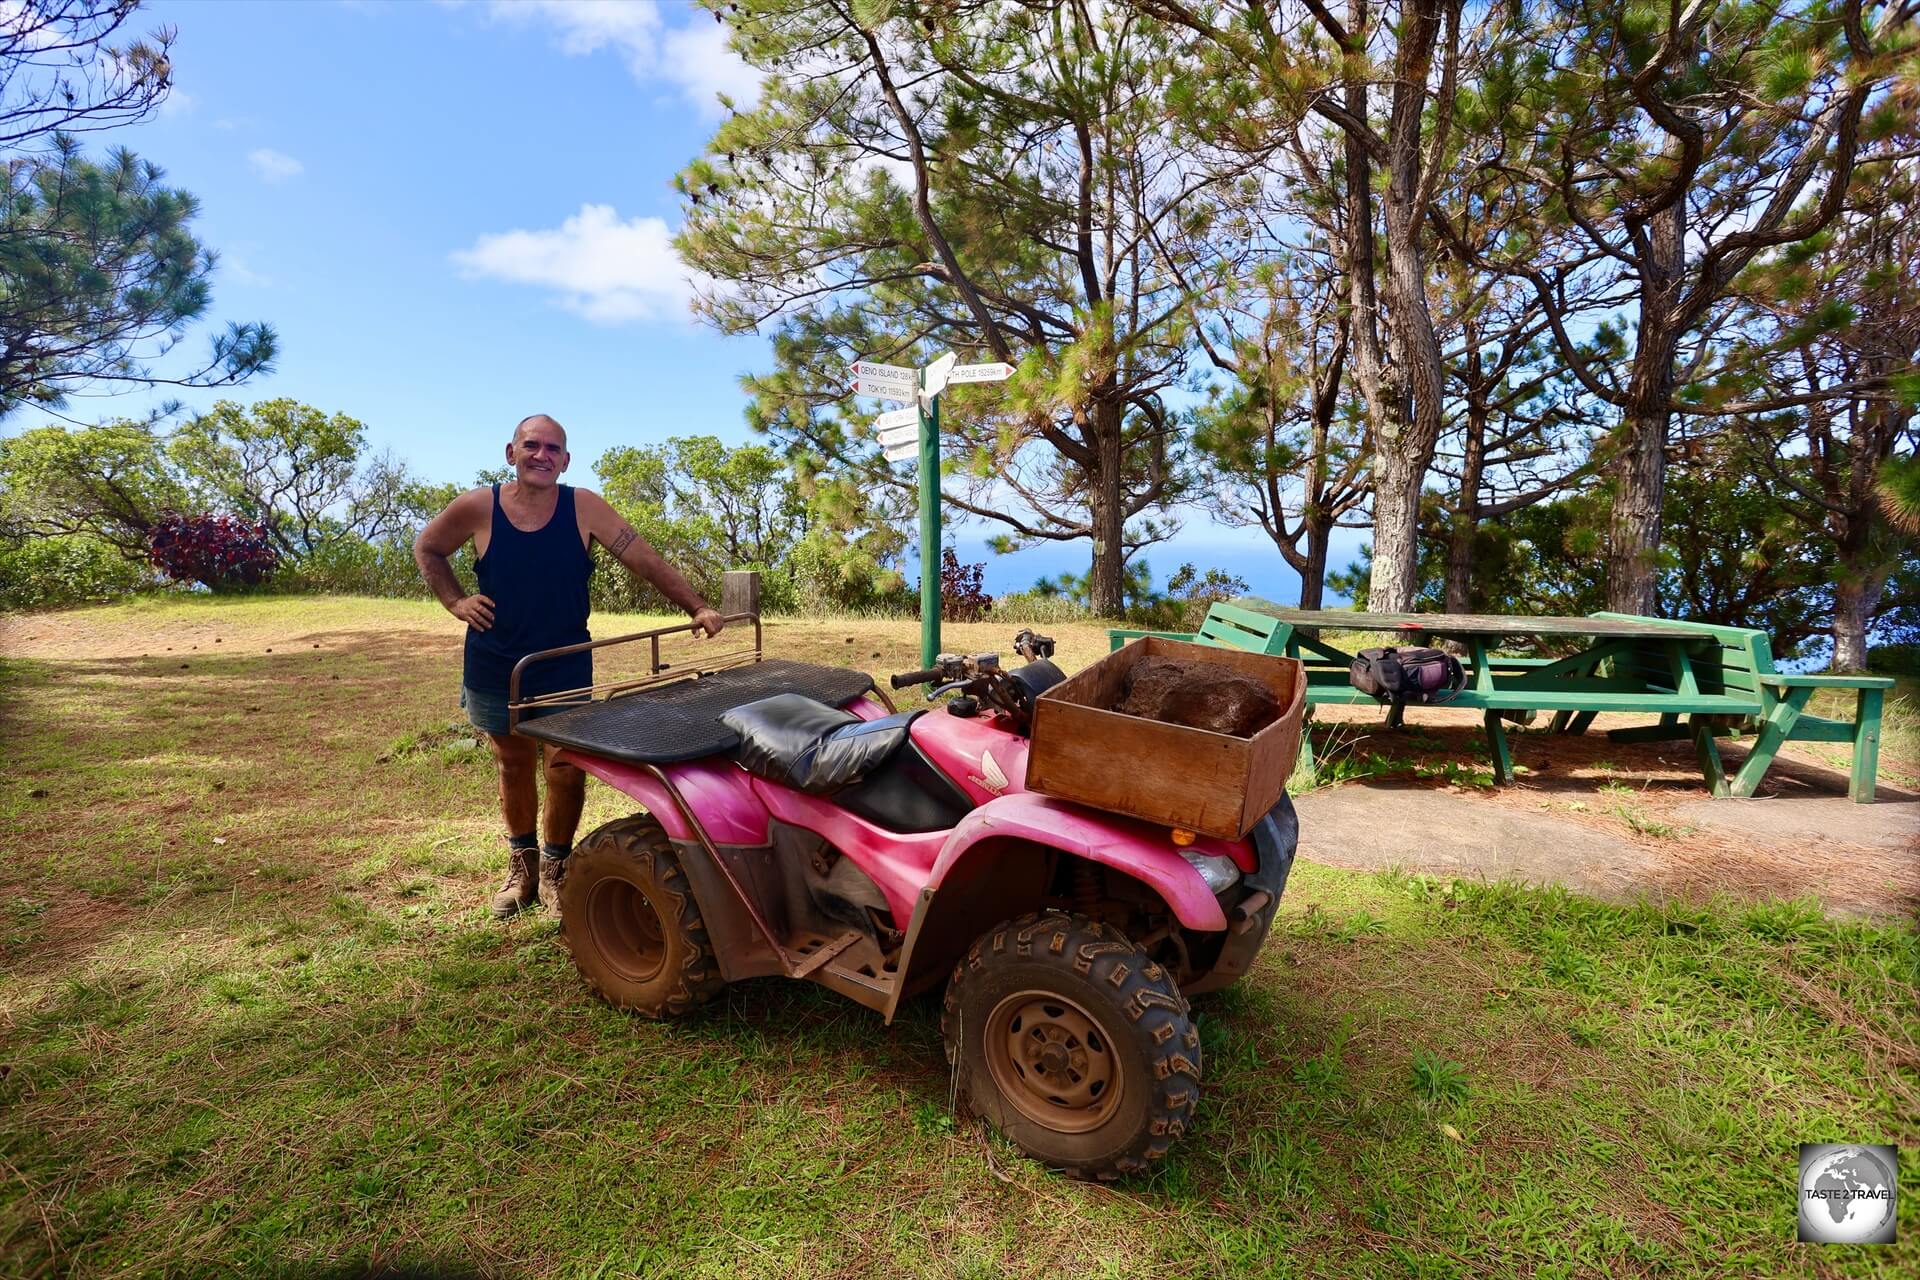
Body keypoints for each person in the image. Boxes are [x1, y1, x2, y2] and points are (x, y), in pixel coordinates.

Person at [413, 414, 725, 918]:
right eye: (531, 445)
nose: (542, 455)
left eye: (553, 448)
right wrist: (455, 601)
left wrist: (697, 606)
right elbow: (428, 546)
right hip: (497, 662)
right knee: (512, 764)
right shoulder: (479, 506)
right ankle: (523, 868)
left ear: (566, 460)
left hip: (564, 664)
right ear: (511, 452)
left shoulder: (584, 507)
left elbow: (643, 558)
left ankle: (557, 868)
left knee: (564, 770)